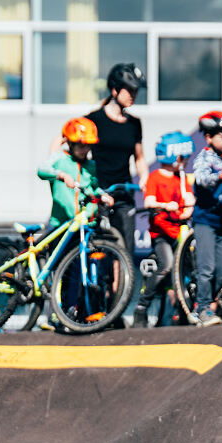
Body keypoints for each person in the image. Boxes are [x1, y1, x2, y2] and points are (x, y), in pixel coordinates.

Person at [36, 117, 113, 330]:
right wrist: (61, 176)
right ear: (70, 143)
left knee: (75, 271)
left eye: (87, 144)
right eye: (80, 144)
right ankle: (53, 314)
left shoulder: (91, 166)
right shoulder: (61, 159)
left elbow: (92, 189)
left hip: (80, 227)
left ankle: (68, 312)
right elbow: (42, 169)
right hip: (60, 224)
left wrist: (102, 196)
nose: (84, 148)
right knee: (57, 268)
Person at [87, 63, 148, 316]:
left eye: (136, 91)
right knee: (97, 250)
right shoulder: (93, 119)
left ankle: (116, 306)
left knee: (124, 252)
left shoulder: (134, 123)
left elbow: (139, 157)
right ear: (114, 89)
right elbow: (70, 147)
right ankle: (95, 302)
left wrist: (144, 178)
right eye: (129, 90)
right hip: (98, 194)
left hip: (123, 194)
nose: (133, 95)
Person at [134, 132, 195, 327]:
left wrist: (189, 206)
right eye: (184, 158)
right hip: (161, 234)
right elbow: (149, 201)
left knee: (186, 270)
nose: (186, 162)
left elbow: (189, 202)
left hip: (180, 233)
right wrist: (166, 205)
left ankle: (182, 309)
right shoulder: (155, 177)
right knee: (166, 265)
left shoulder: (182, 179)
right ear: (175, 157)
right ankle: (142, 307)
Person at [191, 111, 222, 326]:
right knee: (207, 268)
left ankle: (215, 302)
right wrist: (221, 176)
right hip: (205, 220)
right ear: (209, 138)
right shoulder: (204, 158)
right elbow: (201, 179)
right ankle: (202, 308)